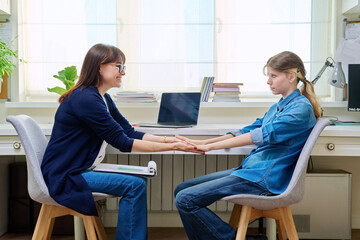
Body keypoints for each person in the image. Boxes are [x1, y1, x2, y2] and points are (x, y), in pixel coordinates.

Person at [41, 43, 199, 240]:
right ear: (100, 66)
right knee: (134, 185)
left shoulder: (102, 98)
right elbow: (123, 142)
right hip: (66, 176)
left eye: (123, 67)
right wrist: (174, 147)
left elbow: (128, 131)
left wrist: (170, 139)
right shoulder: (86, 99)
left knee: (136, 184)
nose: (122, 73)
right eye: (119, 66)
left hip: (76, 170)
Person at [174, 51, 321, 240]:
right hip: (250, 171)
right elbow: (248, 129)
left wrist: (210, 148)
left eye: (273, 76)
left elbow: (259, 135)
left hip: (263, 179)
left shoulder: (301, 109)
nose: (269, 81)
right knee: (181, 190)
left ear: (291, 76)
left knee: (185, 200)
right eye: (269, 76)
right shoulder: (281, 105)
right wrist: (204, 142)